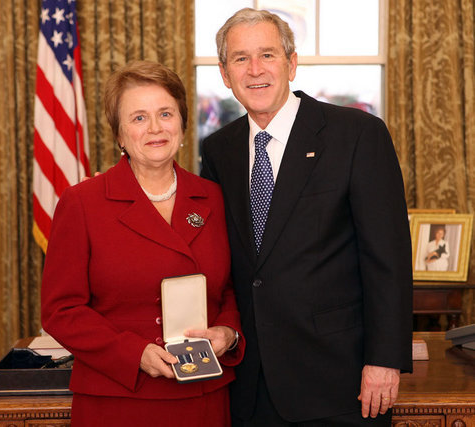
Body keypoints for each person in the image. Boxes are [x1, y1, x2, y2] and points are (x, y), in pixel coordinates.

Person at [200, 8, 413, 426]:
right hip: (249, 382)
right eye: (241, 58)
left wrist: (384, 361)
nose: (255, 69)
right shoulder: (219, 149)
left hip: (339, 380)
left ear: (292, 63)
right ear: (225, 74)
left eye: (268, 54)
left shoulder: (356, 135)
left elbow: (387, 260)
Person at [41, 60, 245, 427]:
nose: (155, 128)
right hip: (120, 397)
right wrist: (134, 354)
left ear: (182, 124)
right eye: (138, 118)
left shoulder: (213, 197)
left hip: (204, 396)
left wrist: (228, 332)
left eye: (165, 113)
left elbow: (229, 288)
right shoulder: (83, 203)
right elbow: (61, 310)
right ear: (119, 134)